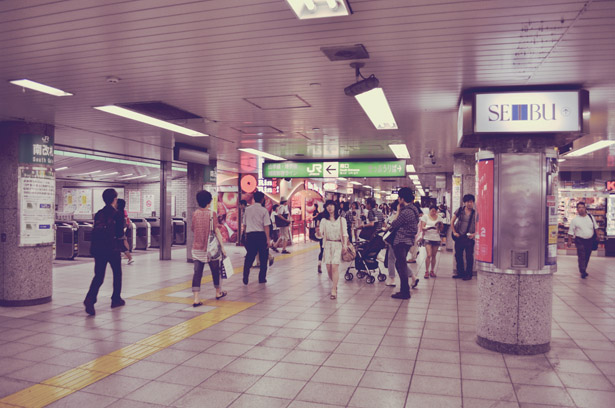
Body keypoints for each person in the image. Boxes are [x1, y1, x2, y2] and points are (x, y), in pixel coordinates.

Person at [84, 189, 125, 315]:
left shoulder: (99, 213)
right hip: (112, 249)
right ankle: (115, 299)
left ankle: (90, 299)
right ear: (114, 199)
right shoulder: (117, 214)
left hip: (99, 249)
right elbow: (119, 233)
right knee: (117, 273)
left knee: (99, 276)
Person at [191, 190, 228, 306]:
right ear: (209, 201)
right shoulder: (212, 214)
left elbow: (193, 228)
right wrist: (222, 247)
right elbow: (216, 231)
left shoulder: (195, 214)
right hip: (211, 248)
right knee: (215, 271)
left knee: (197, 273)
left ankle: (196, 298)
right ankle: (218, 292)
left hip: (197, 248)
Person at [387, 188, 420, 299]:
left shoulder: (406, 212)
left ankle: (405, 292)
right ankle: (404, 290)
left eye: (399, 198)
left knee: (401, 265)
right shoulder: (414, 209)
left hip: (401, 241)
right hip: (407, 241)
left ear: (401, 198)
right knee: (400, 264)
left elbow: (394, 224)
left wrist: (398, 211)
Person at [319, 200, 349, 299]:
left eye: (331, 205)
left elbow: (345, 234)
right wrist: (317, 233)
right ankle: (334, 284)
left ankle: (333, 289)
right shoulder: (324, 220)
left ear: (335, 207)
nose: (330, 207)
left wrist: (344, 245)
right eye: (328, 206)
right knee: (328, 268)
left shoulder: (341, 220)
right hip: (327, 245)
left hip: (338, 244)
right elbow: (320, 234)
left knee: (335, 267)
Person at [243, 191, 271, 284]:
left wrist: (245, 235)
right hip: (261, 235)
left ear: (254, 199)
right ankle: (262, 278)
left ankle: (245, 276)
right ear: (262, 199)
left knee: (249, 257)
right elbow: (266, 226)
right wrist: (268, 239)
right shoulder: (264, 210)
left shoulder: (247, 209)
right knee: (263, 258)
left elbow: (245, 224)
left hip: (250, 235)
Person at [567, 202, 598, 279]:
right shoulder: (575, 220)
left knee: (587, 255)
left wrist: (598, 235)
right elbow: (571, 231)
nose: (581, 209)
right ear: (577, 209)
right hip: (579, 240)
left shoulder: (591, 217)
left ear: (585, 208)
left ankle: (584, 269)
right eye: (579, 207)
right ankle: (582, 271)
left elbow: (596, 227)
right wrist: (569, 240)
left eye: (582, 207)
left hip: (590, 240)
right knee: (582, 255)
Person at [451, 194, 476, 281]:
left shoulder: (475, 213)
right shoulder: (460, 210)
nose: (470, 203)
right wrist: (454, 232)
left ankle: (469, 274)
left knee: (469, 256)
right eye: (468, 202)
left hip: (469, 238)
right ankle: (460, 273)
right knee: (458, 255)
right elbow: (452, 221)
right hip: (459, 237)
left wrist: (474, 234)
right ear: (464, 202)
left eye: (472, 202)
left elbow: (481, 225)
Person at [420, 205, 444, 279]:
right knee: (429, 255)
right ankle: (426, 271)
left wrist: (439, 227)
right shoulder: (425, 217)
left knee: (434, 255)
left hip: (436, 238)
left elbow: (441, 229)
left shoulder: (439, 218)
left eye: (435, 211)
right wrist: (428, 228)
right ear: (429, 210)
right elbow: (422, 227)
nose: (433, 212)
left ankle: (432, 271)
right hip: (427, 238)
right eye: (432, 211)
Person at [116, 199, 134, 265]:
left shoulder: (118, 213)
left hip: (118, 232)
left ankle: (130, 258)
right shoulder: (122, 212)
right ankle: (129, 257)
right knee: (121, 245)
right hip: (121, 231)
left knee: (121, 245)